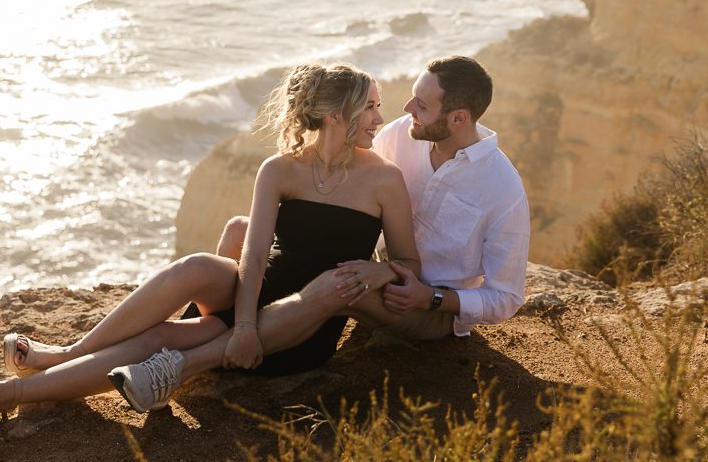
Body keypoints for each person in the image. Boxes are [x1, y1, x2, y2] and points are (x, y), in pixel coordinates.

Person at [0, 62, 420, 414]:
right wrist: (242, 323)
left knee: (159, 338)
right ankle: (70, 355)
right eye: (372, 108)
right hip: (255, 300)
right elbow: (255, 251)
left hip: (299, 326)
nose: (380, 118)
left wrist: (380, 269)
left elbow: (409, 266)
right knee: (194, 267)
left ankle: (0, 396)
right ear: (337, 115)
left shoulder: (383, 179)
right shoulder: (281, 169)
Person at [107, 55, 529, 412]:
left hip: (430, 308)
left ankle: (181, 367)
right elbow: (351, 184)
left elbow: (506, 297)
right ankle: (228, 325)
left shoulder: (501, 188)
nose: (405, 109)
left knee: (339, 282)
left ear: (457, 118)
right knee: (242, 231)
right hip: (383, 276)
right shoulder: (404, 134)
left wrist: (432, 297)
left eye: (420, 104)